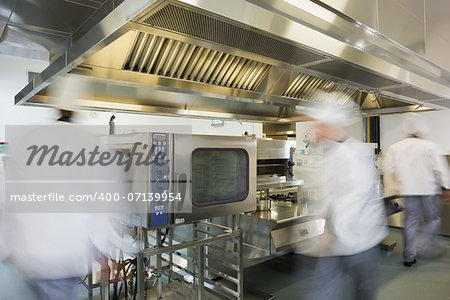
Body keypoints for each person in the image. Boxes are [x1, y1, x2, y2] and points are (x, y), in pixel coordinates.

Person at [301, 95, 387, 300]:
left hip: (361, 240)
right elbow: (329, 195)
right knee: (322, 292)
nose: (316, 131)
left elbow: (356, 195)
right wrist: (321, 223)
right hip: (334, 243)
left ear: (334, 128)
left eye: (321, 126)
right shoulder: (327, 155)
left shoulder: (355, 153)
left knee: (364, 291)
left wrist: (333, 229)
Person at [384, 112, 450, 266]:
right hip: (428, 191)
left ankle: (409, 256)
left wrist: (394, 189)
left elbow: (389, 171)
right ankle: (422, 246)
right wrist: (446, 187)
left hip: (408, 192)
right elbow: (440, 169)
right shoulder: (430, 146)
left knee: (409, 224)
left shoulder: (395, 148)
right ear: (421, 129)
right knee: (432, 220)